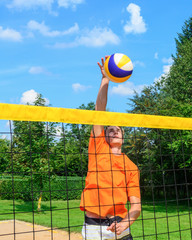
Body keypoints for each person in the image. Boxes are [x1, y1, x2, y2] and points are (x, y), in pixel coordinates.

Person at [80, 56, 141, 240]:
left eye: (118, 130)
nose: (114, 131)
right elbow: (100, 110)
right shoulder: (98, 147)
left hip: (121, 225)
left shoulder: (131, 167)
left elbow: (136, 206)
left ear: (123, 138)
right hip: (94, 228)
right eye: (110, 130)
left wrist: (125, 223)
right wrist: (106, 79)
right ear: (104, 136)